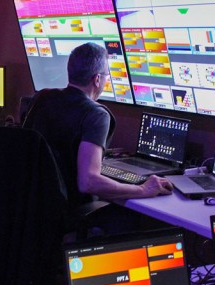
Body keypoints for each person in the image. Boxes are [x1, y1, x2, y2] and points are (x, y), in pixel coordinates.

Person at [23, 42, 172, 232]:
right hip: (64, 213)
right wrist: (143, 189)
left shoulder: (43, 97)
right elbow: (88, 182)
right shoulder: (96, 114)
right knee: (130, 217)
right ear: (97, 79)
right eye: (107, 76)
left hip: (31, 209)